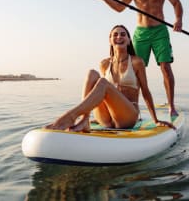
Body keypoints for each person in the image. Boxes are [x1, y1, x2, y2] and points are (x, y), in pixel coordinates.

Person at [94, 0, 183, 117]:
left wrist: (178, 19)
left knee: (165, 67)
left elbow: (176, 3)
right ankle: (134, 107)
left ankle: (171, 106)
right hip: (141, 33)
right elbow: (120, 7)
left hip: (160, 31)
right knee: (134, 70)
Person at [46, 25, 174, 132]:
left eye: (123, 34)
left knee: (103, 82)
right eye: (115, 34)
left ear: (129, 40)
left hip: (127, 116)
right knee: (92, 74)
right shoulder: (104, 63)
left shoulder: (136, 62)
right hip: (106, 118)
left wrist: (155, 120)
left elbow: (145, 91)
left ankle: (69, 116)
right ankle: (84, 120)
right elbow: (99, 94)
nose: (119, 37)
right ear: (110, 40)